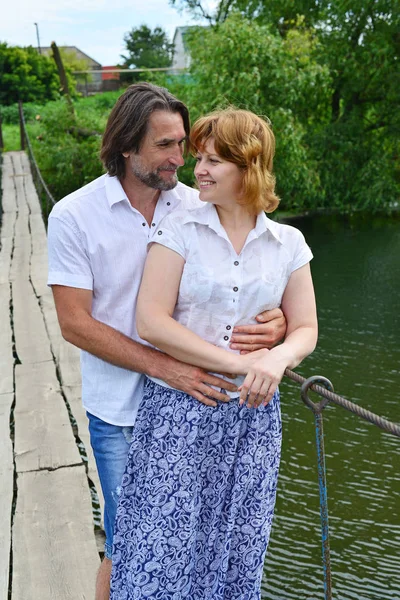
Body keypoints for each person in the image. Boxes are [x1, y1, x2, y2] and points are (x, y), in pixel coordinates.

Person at [47, 84, 287, 600]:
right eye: (165, 145)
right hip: (121, 410)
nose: (181, 159)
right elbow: (74, 323)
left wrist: (279, 326)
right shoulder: (73, 215)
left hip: (199, 408)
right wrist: (164, 367)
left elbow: (249, 276)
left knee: (199, 549)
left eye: (184, 144)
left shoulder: (200, 203)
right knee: (127, 546)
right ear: (127, 146)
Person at [110, 108, 318, 600]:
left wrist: (277, 358)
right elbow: (151, 321)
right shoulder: (179, 229)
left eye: (214, 160)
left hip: (253, 419)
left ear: (250, 167)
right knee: (158, 554)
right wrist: (239, 363)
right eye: (198, 157)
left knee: (235, 552)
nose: (197, 168)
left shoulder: (288, 243)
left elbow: (306, 328)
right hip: (180, 413)